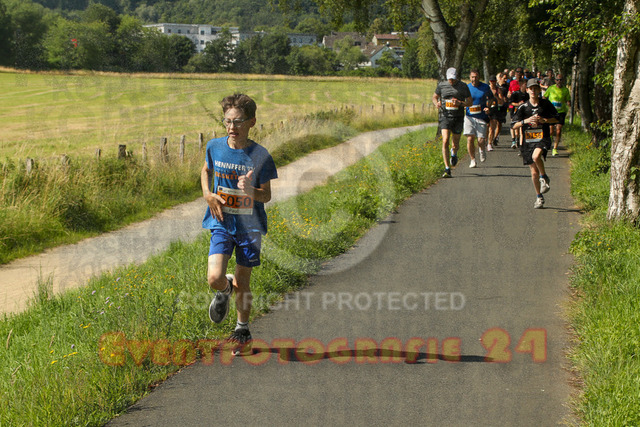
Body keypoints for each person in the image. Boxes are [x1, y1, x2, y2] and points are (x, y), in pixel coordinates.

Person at [201, 93, 278, 355]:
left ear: (251, 122)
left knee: (243, 282)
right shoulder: (214, 146)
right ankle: (224, 290)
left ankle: (242, 332)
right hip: (221, 222)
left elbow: (266, 196)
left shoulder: (261, 155)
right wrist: (207, 194)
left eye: (238, 121)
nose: (232, 127)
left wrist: (250, 191)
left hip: (250, 227)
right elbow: (206, 170)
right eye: (228, 121)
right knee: (214, 277)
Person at [511, 79, 559, 209]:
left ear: (539, 90)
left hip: (543, 138)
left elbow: (557, 118)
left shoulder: (545, 104)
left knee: (536, 156)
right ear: (527, 90)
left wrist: (545, 120)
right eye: (531, 88)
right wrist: (526, 121)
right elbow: (513, 125)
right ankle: (539, 197)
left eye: (535, 88)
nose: (533, 91)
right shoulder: (523, 107)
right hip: (528, 141)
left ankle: (544, 177)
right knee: (533, 173)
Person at [432, 67, 472, 177]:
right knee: (445, 140)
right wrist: (436, 103)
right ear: (447, 77)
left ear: (456, 77)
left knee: (455, 143)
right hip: (445, 116)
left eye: (453, 79)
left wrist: (460, 103)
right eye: (450, 79)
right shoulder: (442, 85)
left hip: (458, 117)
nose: (452, 81)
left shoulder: (463, 86)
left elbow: (470, 102)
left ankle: (454, 153)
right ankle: (447, 168)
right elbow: (434, 97)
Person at [464, 69, 494, 167]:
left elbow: (491, 98)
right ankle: (472, 159)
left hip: (481, 117)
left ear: (479, 77)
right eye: (472, 77)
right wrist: (464, 105)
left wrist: (488, 107)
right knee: (470, 138)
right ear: (470, 77)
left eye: (476, 77)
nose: (474, 79)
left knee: (481, 140)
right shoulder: (467, 87)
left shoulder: (485, 87)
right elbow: (463, 100)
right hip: (469, 116)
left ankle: (482, 150)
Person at [543, 73, 571, 156]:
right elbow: (544, 97)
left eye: (561, 80)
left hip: (561, 112)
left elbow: (568, 100)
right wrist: (545, 105)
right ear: (555, 80)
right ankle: (550, 140)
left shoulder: (565, 90)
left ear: (563, 81)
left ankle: (555, 149)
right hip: (551, 112)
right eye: (557, 80)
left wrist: (569, 105)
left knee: (558, 130)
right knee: (551, 131)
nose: (559, 81)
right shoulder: (551, 88)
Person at [508, 68, 527, 149]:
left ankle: (519, 141)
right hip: (513, 107)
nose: (518, 74)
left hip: (522, 107)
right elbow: (509, 92)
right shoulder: (512, 82)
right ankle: (514, 140)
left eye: (520, 72)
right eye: (517, 72)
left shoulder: (525, 82)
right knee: (514, 124)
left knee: (520, 125)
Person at [488, 73, 508, 149]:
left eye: (494, 81)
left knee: (493, 127)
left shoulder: (498, 90)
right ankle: (486, 140)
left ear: (496, 81)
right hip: (487, 109)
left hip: (495, 109)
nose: (492, 83)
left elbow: (501, 101)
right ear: (489, 81)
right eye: (491, 81)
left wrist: (495, 96)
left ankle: (490, 142)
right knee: (487, 126)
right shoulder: (487, 89)